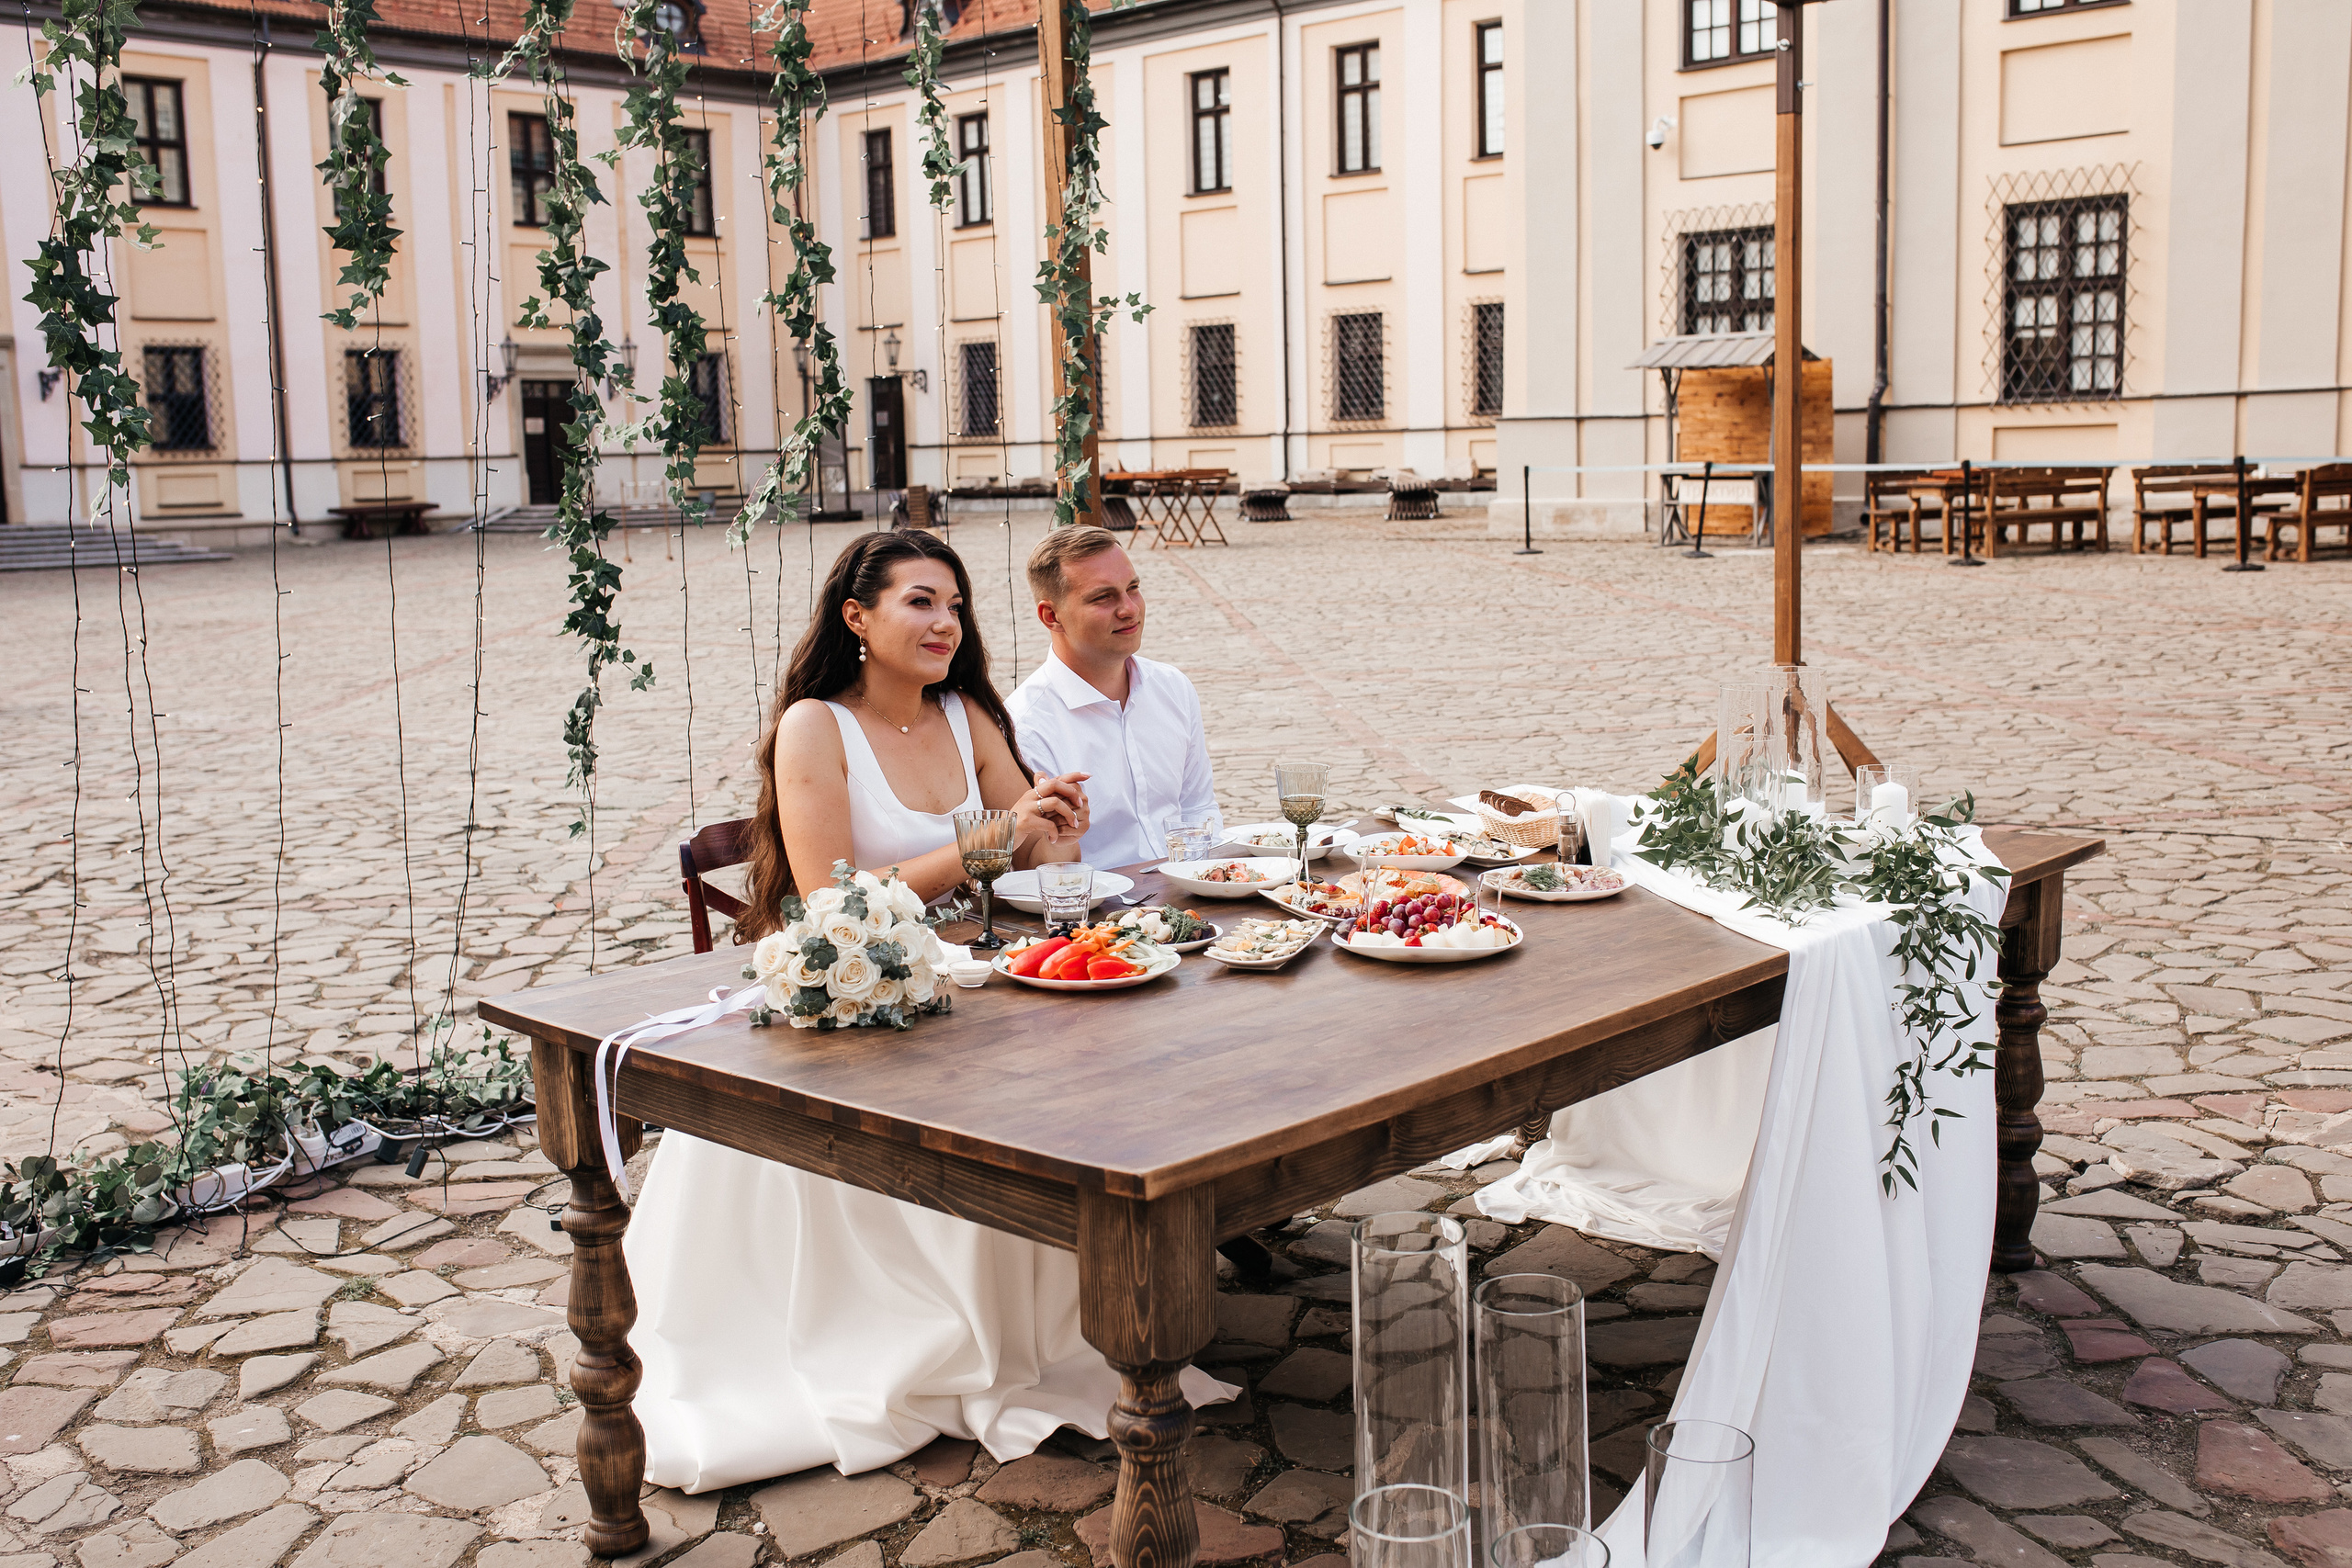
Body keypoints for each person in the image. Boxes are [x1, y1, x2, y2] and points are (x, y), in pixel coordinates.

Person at [624, 531, 1233, 1492]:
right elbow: (829, 897)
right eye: (919, 601)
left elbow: (1035, 852)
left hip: (963, 982)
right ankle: (901, 1335)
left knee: (1083, 1061)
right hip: (852, 995)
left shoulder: (965, 712)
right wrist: (992, 841)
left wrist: (1052, 821)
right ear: (857, 617)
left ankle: (1087, 1297)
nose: (945, 622)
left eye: (954, 604)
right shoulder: (815, 726)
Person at [1005, 526, 1221, 870]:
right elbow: (1038, 864)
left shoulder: (1173, 687)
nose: (1129, 609)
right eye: (1103, 598)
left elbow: (1197, 807)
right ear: (1051, 616)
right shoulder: (1025, 725)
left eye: (1133, 588)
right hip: (1101, 900)